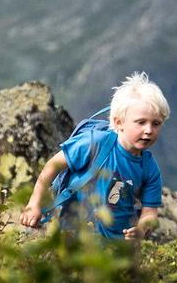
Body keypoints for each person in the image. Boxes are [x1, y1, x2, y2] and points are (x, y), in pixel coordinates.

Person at [19, 72, 169, 240]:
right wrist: (34, 204)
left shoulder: (149, 168)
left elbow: (150, 213)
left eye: (156, 124)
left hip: (116, 247)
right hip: (73, 235)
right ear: (119, 122)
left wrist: (141, 230)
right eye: (141, 122)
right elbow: (53, 165)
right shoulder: (93, 143)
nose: (149, 130)